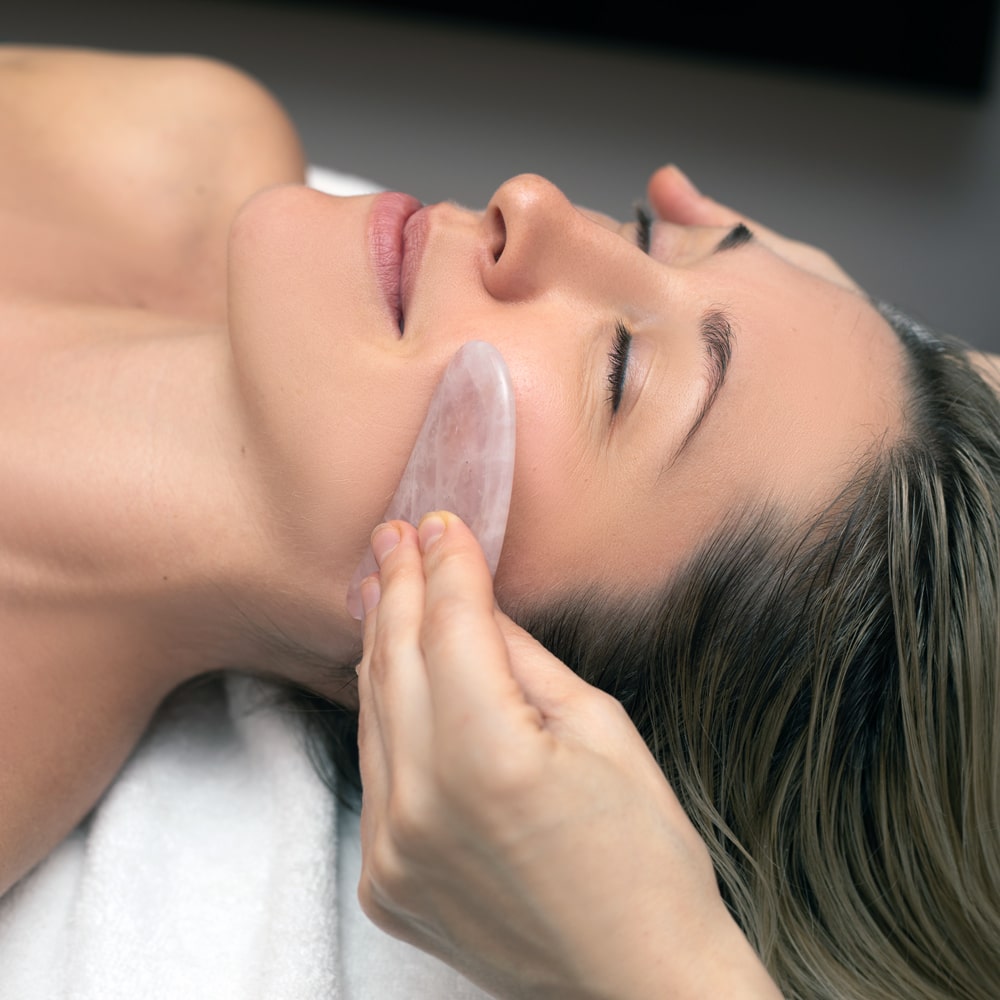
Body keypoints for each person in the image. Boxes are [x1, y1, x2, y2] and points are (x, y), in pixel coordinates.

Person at [0, 43, 996, 999]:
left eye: (619, 372)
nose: (533, 205)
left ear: (511, 685)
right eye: (647, 238)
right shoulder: (174, 146)